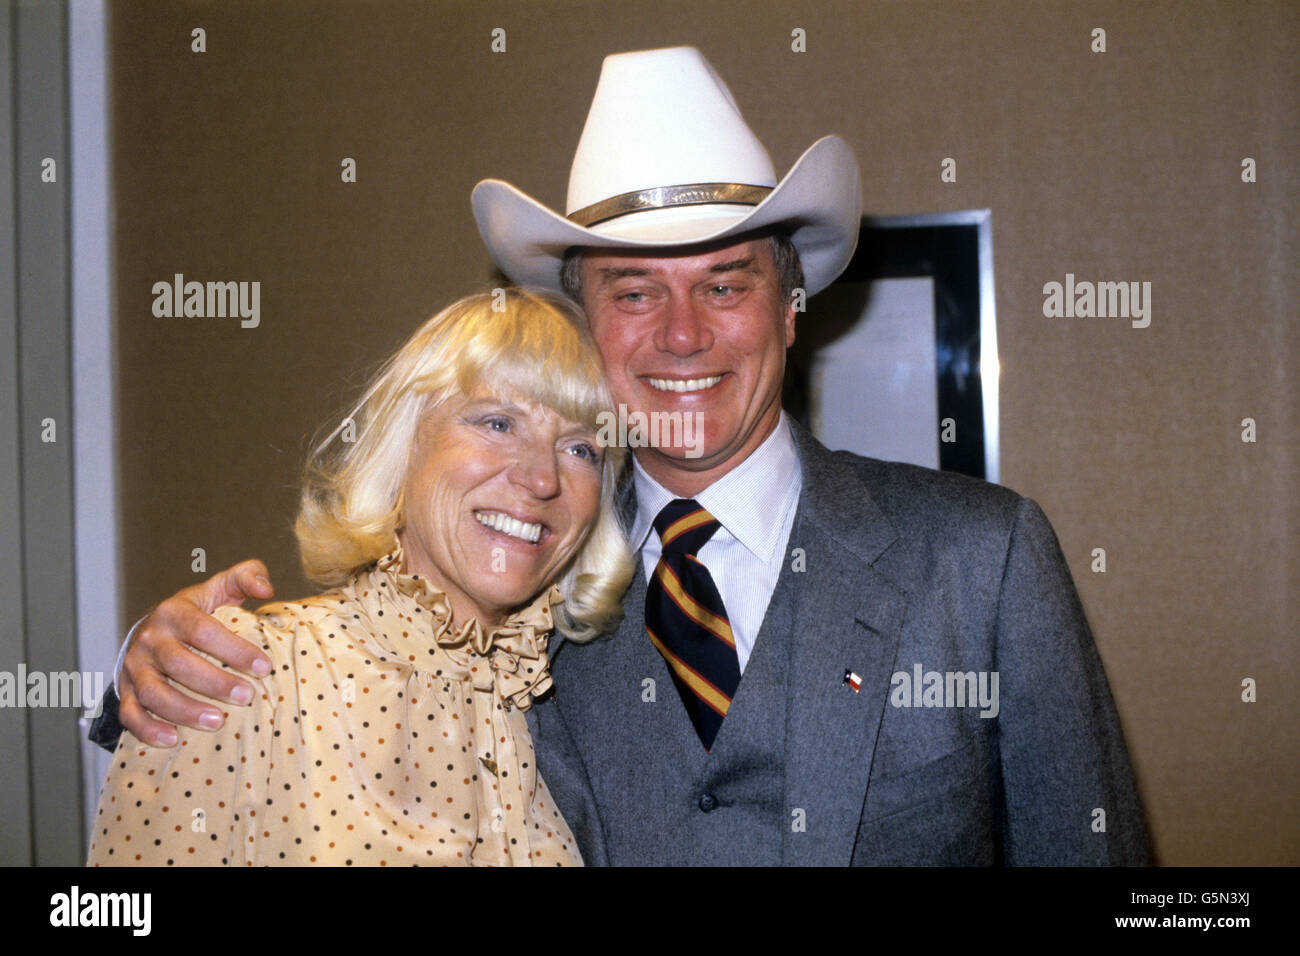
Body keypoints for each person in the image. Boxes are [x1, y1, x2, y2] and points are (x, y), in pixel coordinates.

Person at [91, 47, 1150, 865]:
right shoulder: (520, 581)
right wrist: (149, 660)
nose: (681, 334)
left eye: (726, 285)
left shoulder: (981, 557)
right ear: (582, 325)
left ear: (790, 309)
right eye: (635, 291)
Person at [87, 289, 632, 865]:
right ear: (406, 440)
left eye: (580, 450)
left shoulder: (555, 691)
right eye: (498, 422)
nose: (542, 478)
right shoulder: (242, 667)